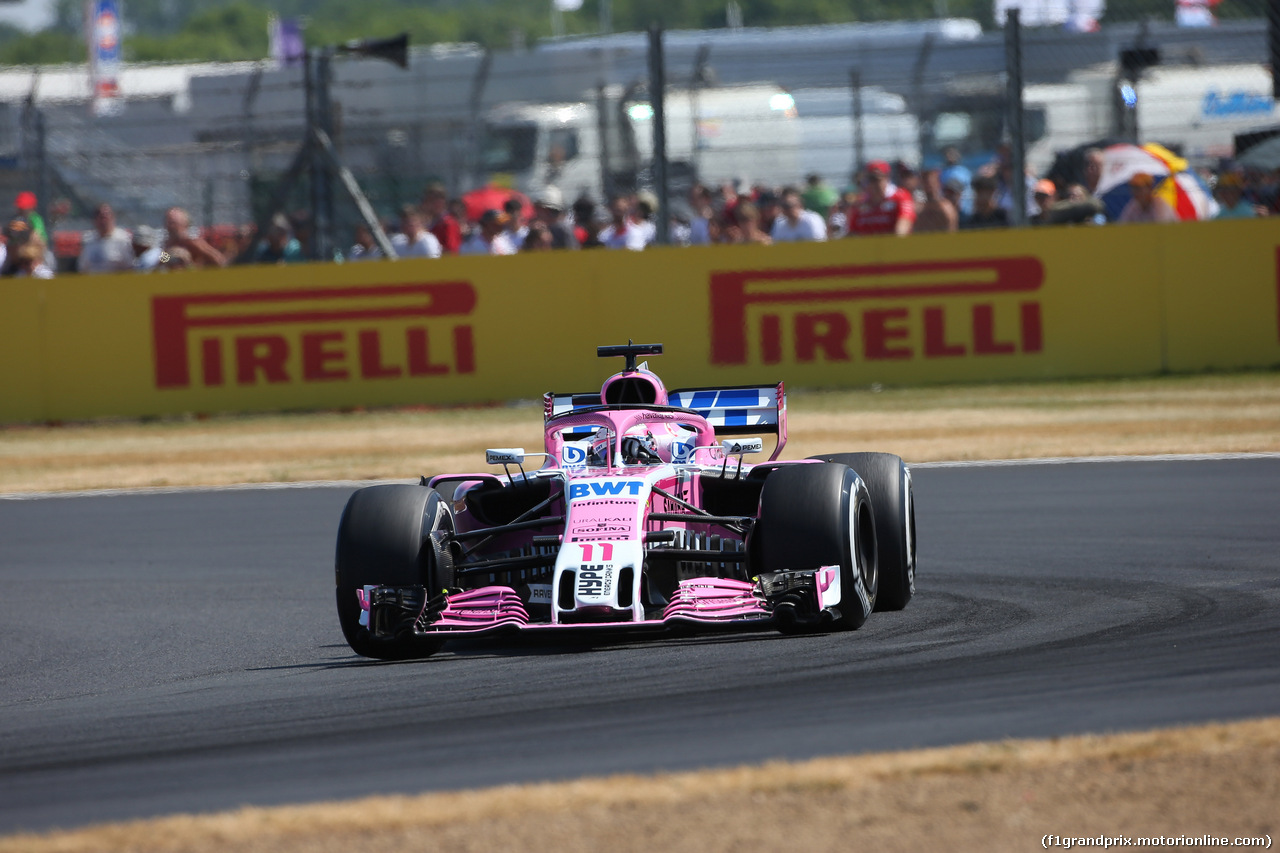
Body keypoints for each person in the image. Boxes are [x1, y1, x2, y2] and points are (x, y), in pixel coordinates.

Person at [845, 160, 914, 237]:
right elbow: (851, 234)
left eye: (877, 179)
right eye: (870, 180)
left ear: (887, 178)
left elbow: (903, 228)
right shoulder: (861, 204)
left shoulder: (901, 197)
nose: (873, 184)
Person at [77, 203, 135, 273]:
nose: (103, 222)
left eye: (106, 217)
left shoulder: (123, 239)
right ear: (95, 220)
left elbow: (129, 267)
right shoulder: (88, 240)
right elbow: (82, 268)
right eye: (101, 218)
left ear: (113, 218)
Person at [912, 169, 957, 234]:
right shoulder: (918, 208)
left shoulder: (946, 208)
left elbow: (951, 230)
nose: (928, 183)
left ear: (938, 182)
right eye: (925, 179)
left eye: (931, 179)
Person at [421, 183, 462, 254]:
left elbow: (451, 251)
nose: (427, 204)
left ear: (440, 202)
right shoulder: (430, 222)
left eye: (431, 200)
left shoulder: (448, 223)